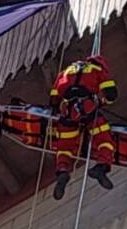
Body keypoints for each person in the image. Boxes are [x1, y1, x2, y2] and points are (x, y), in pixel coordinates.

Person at [49, 54, 118, 200]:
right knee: (105, 138)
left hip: (67, 111)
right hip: (87, 108)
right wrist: (101, 102)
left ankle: (62, 171)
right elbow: (112, 94)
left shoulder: (65, 72)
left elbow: (54, 98)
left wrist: (59, 109)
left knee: (64, 147)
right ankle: (101, 167)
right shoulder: (97, 70)